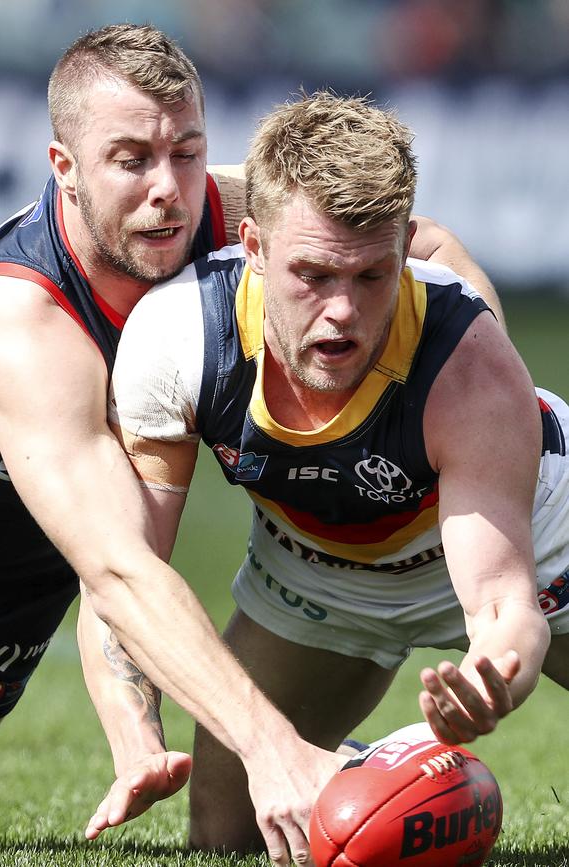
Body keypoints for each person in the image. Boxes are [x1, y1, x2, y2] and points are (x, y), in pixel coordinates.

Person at [0, 20, 497, 860]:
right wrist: (271, 747)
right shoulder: (21, 320)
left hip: (16, 591)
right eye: (131, 159)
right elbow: (118, 567)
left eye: (186, 151)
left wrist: (493, 402)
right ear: (63, 169)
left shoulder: (228, 213)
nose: (169, 189)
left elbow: (429, 247)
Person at [108, 90, 569, 857]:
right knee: (226, 837)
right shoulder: (179, 339)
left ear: (403, 252)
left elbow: (504, 604)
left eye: (370, 277)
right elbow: (125, 572)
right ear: (252, 245)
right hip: (317, 579)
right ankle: (370, 775)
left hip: (546, 542)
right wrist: (134, 732)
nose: (342, 313)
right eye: (314, 274)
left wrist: (491, 679)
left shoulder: (472, 362)